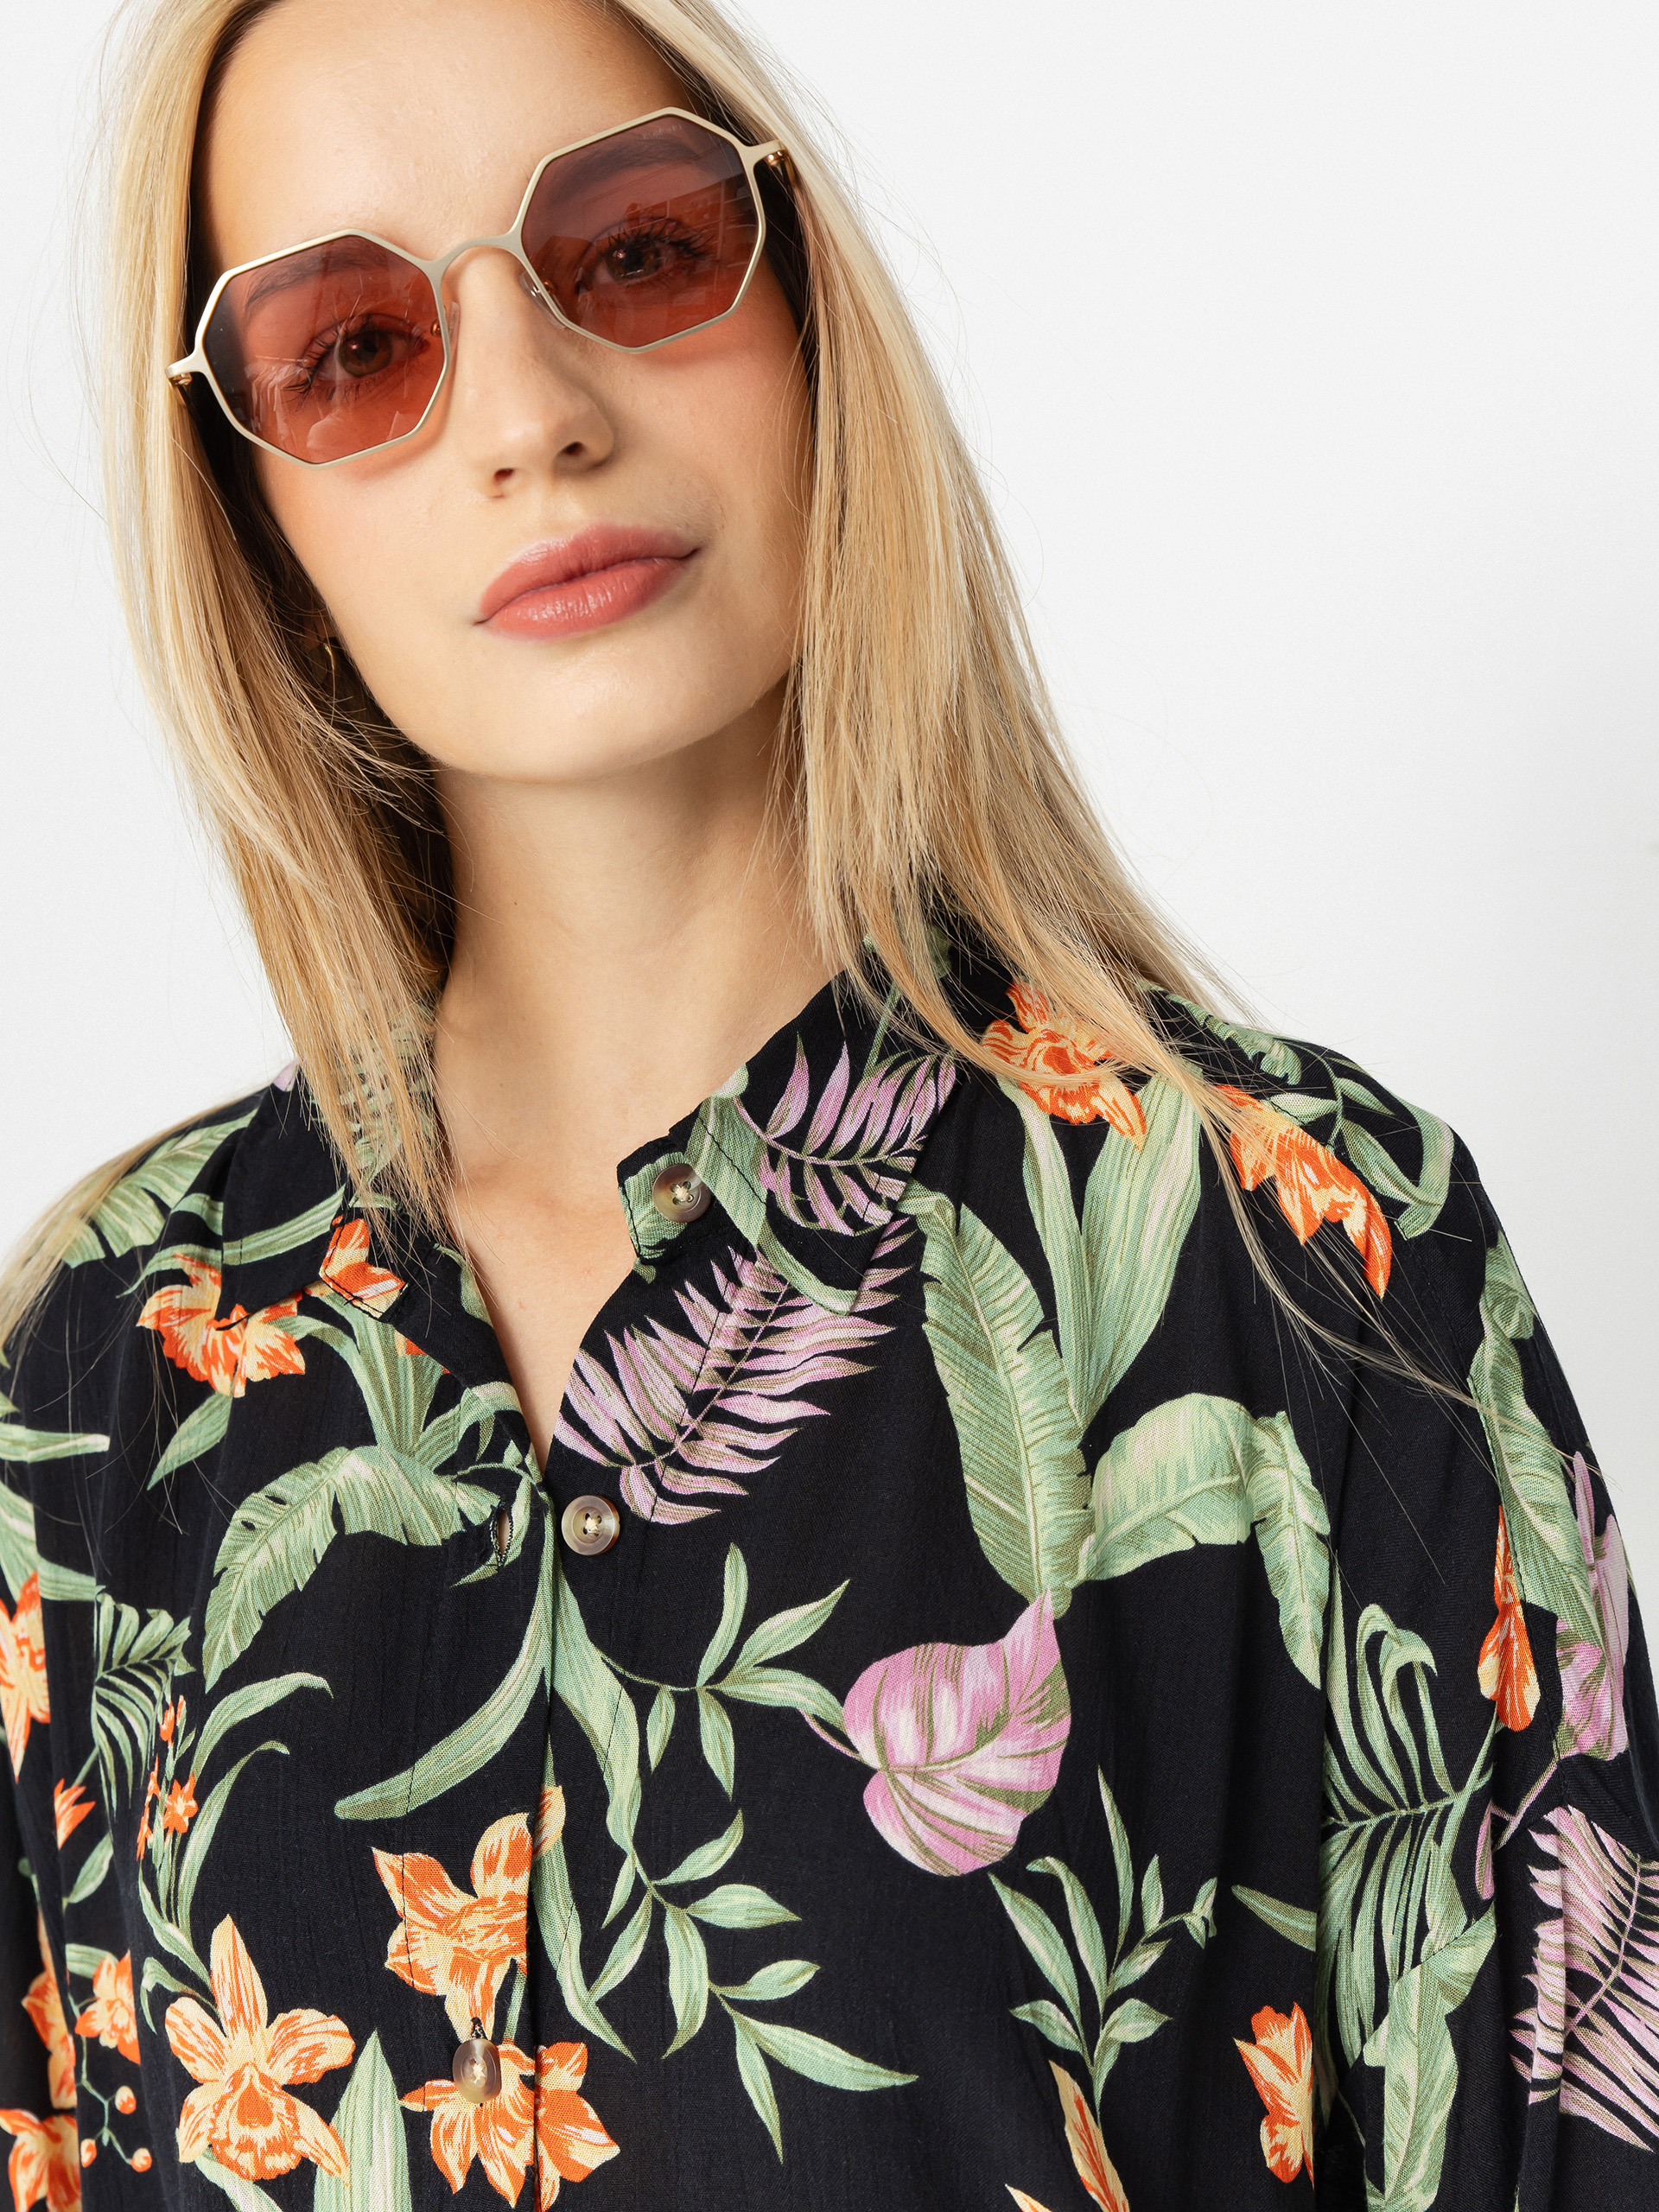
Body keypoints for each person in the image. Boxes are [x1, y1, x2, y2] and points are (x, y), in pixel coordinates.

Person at [1, 0, 1653, 2202]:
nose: (532, 415)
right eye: (356, 349)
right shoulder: (103, 1381)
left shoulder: (1304, 1261)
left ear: (804, 306)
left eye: (636, 248)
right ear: (252, 505)